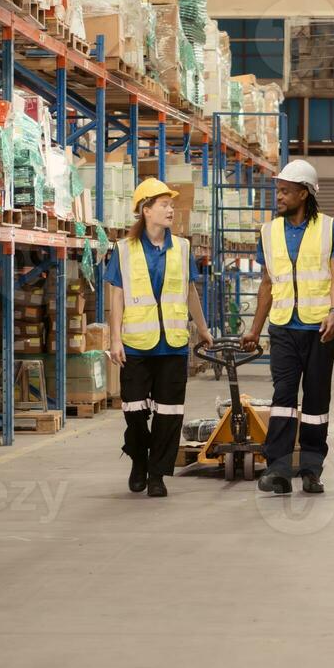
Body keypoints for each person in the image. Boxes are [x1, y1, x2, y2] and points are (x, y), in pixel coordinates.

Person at [240, 159, 334, 495]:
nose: (280, 196)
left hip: (320, 329)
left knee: (317, 402)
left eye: (286, 191)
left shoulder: (332, 228)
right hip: (283, 328)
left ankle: (311, 468)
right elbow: (267, 284)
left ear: (304, 194)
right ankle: (278, 469)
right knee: (283, 397)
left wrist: (333, 311)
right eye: (279, 190)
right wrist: (254, 329)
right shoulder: (268, 232)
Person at [105, 177, 213, 498]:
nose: (171, 210)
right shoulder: (123, 250)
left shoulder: (182, 247)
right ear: (145, 210)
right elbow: (117, 296)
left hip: (173, 344)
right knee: (134, 412)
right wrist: (114, 339)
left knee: (170, 414)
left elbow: (189, 291)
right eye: (164, 205)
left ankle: (157, 474)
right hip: (137, 345)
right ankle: (139, 459)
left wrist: (203, 328)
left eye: (171, 204)